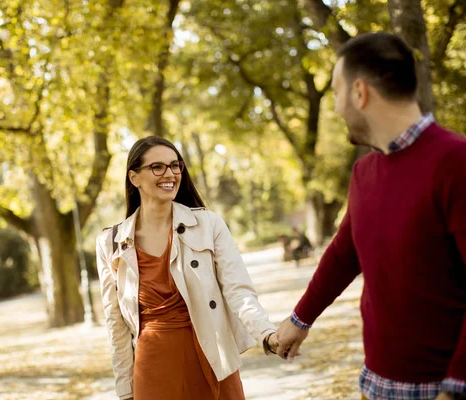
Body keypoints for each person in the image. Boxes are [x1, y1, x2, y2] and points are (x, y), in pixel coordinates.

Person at [276, 32, 466, 400]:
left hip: (438, 389)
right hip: (374, 384)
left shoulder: (455, 162)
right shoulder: (365, 172)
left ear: (360, 92)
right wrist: (301, 319)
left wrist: (457, 387)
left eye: (335, 92)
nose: (334, 108)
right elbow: (344, 253)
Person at [95, 136, 279, 400]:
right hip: (153, 366)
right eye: (157, 167)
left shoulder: (208, 224)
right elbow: (116, 324)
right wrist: (125, 390)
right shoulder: (111, 243)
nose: (169, 173)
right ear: (134, 178)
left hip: (211, 353)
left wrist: (267, 333)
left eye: (175, 165)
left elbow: (239, 291)